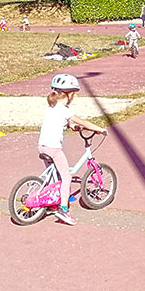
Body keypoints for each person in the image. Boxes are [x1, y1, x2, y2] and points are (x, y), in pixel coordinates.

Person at [38, 74, 106, 226]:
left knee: (54, 177)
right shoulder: (64, 109)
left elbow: (66, 122)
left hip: (42, 146)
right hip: (54, 148)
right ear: (68, 94)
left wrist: (72, 126)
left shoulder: (53, 106)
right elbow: (81, 121)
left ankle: (51, 202)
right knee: (66, 178)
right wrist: (99, 129)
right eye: (73, 94)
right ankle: (63, 210)